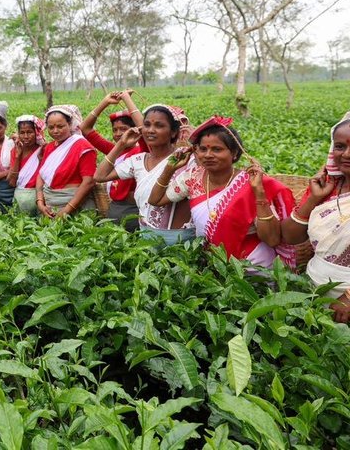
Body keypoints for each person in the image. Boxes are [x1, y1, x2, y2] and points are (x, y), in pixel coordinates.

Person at [149, 116, 296, 269]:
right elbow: (155, 200)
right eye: (203, 149)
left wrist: (259, 192)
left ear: (234, 153)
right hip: (214, 264)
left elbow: (272, 239)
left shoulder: (250, 183)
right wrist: (170, 169)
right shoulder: (192, 178)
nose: (208, 155)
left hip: (253, 265)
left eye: (217, 149)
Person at [282, 111, 350, 322]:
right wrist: (313, 199)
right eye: (340, 146)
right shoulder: (328, 187)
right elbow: (291, 237)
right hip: (312, 286)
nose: (346, 154)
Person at [94, 104, 194, 245]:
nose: (151, 130)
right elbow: (100, 176)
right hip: (146, 236)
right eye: (146, 125)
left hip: (180, 239)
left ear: (173, 132)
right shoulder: (138, 161)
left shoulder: (184, 157)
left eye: (159, 126)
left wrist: (196, 142)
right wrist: (120, 144)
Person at [82, 91, 144, 231]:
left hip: (133, 210)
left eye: (123, 129)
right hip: (115, 209)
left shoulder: (142, 151)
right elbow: (85, 129)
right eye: (114, 130)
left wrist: (127, 100)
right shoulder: (114, 150)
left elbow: (144, 130)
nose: (118, 134)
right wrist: (105, 102)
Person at [35, 105, 97, 218]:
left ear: (70, 124)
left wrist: (67, 210)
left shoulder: (83, 147)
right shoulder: (49, 147)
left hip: (76, 206)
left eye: (60, 126)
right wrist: (40, 202)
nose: (55, 131)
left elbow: (88, 182)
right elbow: (41, 174)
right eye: (51, 127)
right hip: (50, 206)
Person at [7, 115, 45, 215]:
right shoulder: (15, 151)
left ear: (36, 133)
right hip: (19, 199)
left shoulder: (43, 150)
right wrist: (17, 157)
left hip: (38, 198)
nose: (26, 136)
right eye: (22, 133)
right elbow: (12, 182)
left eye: (29, 132)